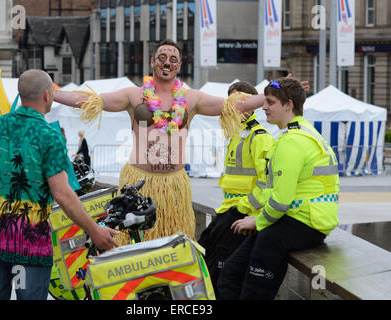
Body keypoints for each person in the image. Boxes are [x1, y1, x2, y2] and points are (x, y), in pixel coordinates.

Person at [53, 39, 268, 245]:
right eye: (162, 57)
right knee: (132, 247)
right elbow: (92, 101)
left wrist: (275, 89)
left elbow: (237, 105)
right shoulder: (133, 95)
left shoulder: (192, 99)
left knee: (174, 248)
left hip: (174, 188)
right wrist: (51, 94)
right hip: (138, 185)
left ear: (179, 65)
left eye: (173, 59)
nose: (167, 62)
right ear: (152, 62)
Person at [0, 69, 119, 300]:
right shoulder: (48, 136)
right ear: (46, 95)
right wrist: (94, 230)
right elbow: (62, 194)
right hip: (30, 242)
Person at [217, 77, 340, 300]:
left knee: (251, 287)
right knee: (230, 274)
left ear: (288, 104)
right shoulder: (298, 133)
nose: (263, 106)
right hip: (298, 219)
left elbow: (281, 199)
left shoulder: (293, 141)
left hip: (306, 221)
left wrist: (258, 221)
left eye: (271, 102)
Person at [197, 81, 275, 297]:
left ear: (252, 105)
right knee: (204, 263)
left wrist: (246, 210)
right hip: (227, 213)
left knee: (223, 279)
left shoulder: (259, 137)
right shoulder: (236, 135)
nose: (233, 107)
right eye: (229, 102)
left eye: (239, 101)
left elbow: (267, 182)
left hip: (240, 217)